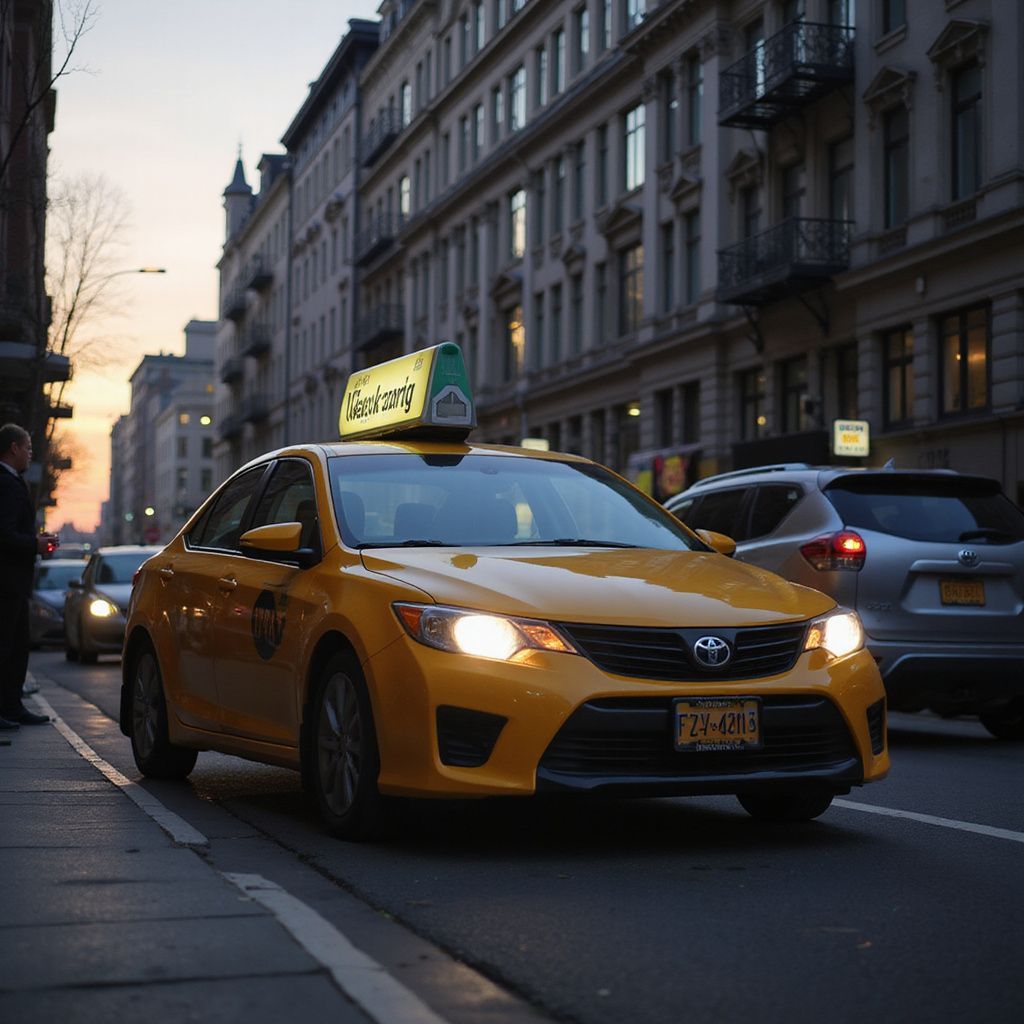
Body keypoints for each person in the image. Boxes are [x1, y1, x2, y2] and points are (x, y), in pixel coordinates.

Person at [0, 423, 56, 728]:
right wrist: (34, 543)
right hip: (7, 583)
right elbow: (4, 534)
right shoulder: (6, 484)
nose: (30, 454)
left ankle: (12, 706)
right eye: (28, 448)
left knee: (18, 646)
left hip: (14, 583)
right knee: (7, 646)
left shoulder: (12, 481)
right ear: (14, 448)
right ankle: (6, 707)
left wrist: (35, 541)